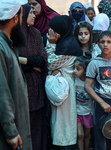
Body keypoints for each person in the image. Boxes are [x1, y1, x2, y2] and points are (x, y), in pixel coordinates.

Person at [46, 15, 82, 150]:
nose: (50, 33)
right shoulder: (65, 43)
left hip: (66, 88)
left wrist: (51, 44)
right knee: (60, 122)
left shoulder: (68, 46)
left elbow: (50, 63)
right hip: (61, 85)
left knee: (64, 122)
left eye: (53, 30)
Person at [0, 0, 32, 149]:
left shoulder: (6, 44)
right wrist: (11, 131)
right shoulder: (1, 47)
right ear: (15, 18)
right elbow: (1, 93)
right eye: (21, 16)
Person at [16, 4, 48, 150]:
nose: (34, 16)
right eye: (31, 13)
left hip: (36, 88)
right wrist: (30, 63)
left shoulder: (35, 33)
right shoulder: (14, 35)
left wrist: (23, 60)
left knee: (37, 125)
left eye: (35, 13)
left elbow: (42, 60)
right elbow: (12, 62)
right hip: (20, 86)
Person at [74, 56, 93, 150]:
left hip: (88, 112)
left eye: (78, 69)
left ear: (85, 70)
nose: (74, 71)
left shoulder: (90, 83)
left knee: (86, 135)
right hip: (77, 112)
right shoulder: (74, 80)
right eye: (74, 68)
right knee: (80, 135)